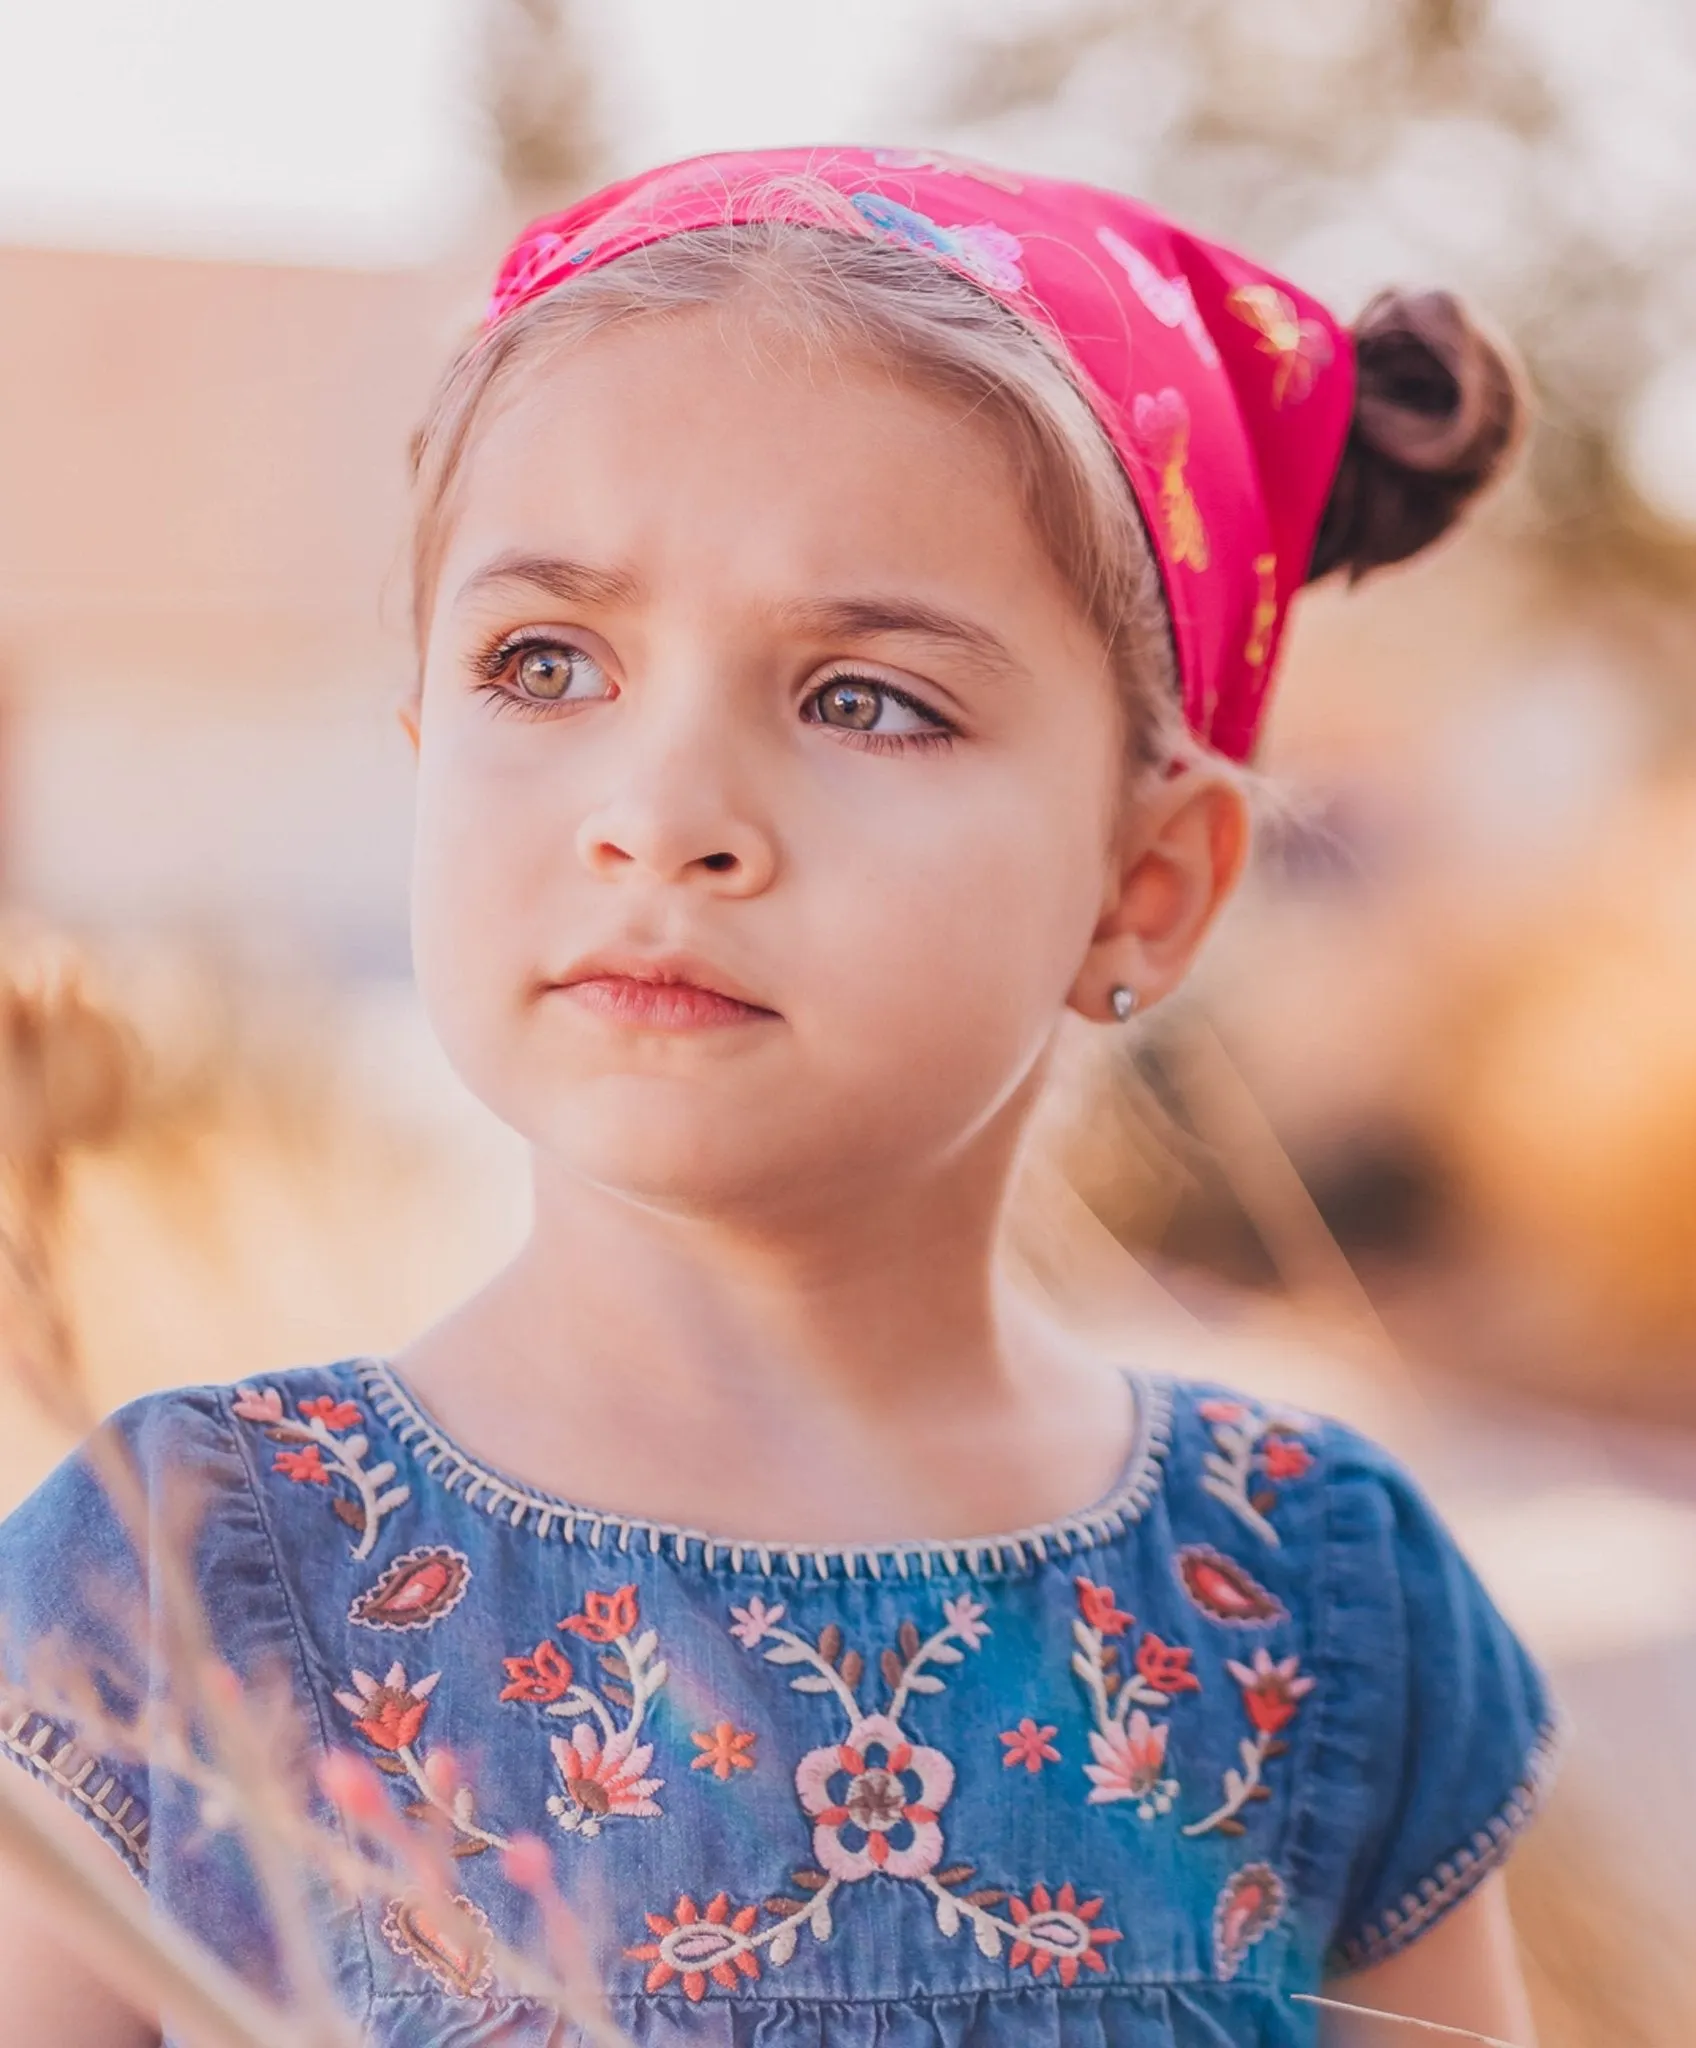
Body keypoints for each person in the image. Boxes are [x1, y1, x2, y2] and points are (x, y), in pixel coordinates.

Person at [0, 147, 1556, 2046]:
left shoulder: (1308, 1603)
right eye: (544, 661)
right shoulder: (177, 1580)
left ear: (1142, 883)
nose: (659, 815)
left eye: (863, 698)